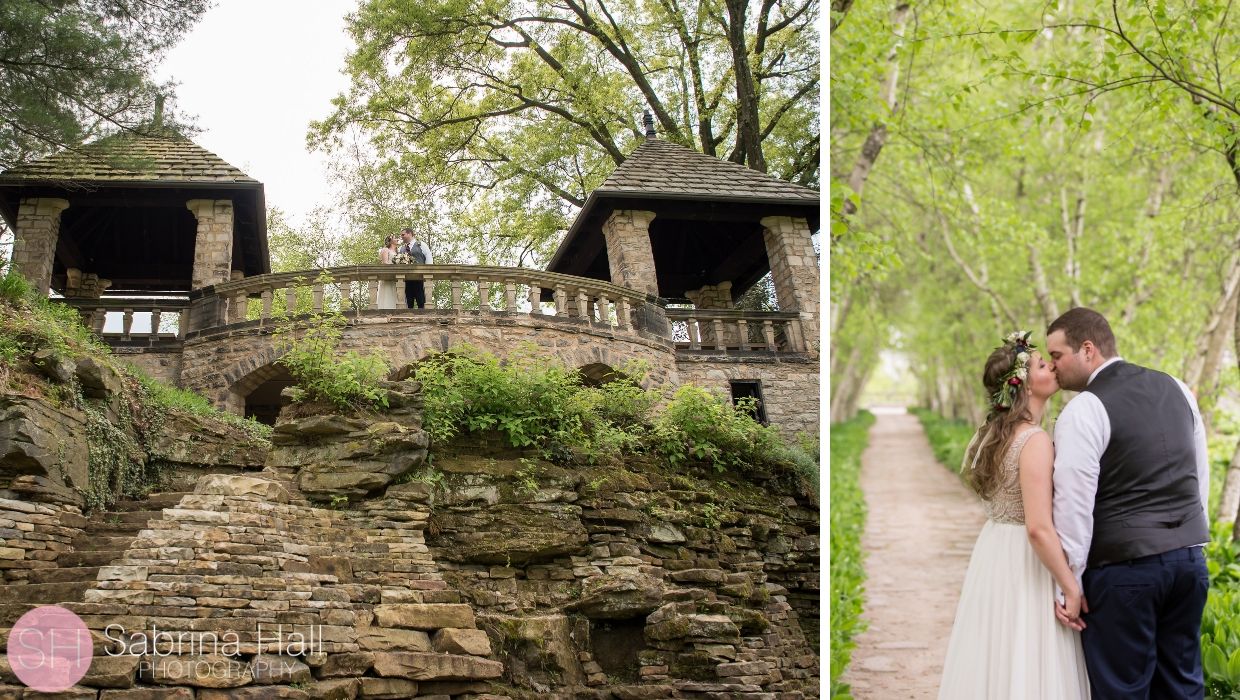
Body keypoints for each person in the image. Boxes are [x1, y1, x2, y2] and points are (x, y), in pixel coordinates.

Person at [1048, 307, 1209, 699]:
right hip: (1188, 564)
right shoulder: (1176, 387)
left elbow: (1074, 503)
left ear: (1087, 350)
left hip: (1124, 570)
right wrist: (1191, 541)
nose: (1053, 368)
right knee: (1183, 687)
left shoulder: (1083, 409)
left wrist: (1070, 580)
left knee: (1122, 690)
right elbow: (1198, 474)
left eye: (1056, 356)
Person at [938, 331, 1090, 700]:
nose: (1051, 365)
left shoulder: (986, 436)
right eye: (1041, 364)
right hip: (1026, 560)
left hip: (993, 552)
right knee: (1031, 656)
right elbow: (1038, 528)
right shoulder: (1033, 441)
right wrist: (1071, 586)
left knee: (997, 654)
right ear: (1022, 385)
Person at [398, 227, 433, 309]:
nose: (401, 237)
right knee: (408, 304)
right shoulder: (401, 249)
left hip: (420, 278)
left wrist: (428, 273)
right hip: (406, 279)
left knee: (421, 302)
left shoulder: (421, 244)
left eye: (403, 235)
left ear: (410, 234)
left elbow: (429, 258)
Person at [376, 235, 399, 309]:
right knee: (388, 293)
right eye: (395, 238)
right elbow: (385, 263)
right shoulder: (385, 250)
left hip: (397, 278)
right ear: (390, 240)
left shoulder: (397, 252)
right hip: (388, 276)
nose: (397, 239)